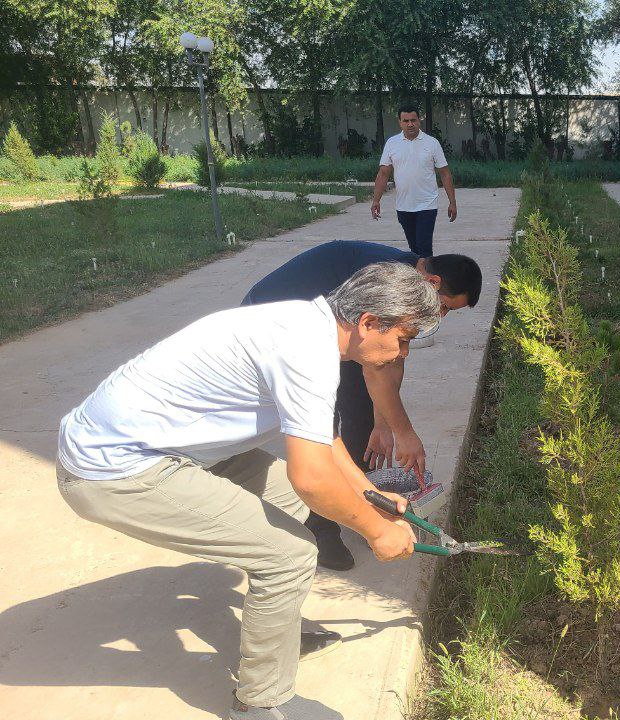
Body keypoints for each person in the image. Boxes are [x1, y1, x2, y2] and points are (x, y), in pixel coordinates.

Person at [56, 262, 440, 720]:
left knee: (297, 506)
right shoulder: (304, 351)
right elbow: (313, 478)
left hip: (168, 443)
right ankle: (260, 702)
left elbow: (325, 440)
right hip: (115, 468)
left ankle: (275, 634)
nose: (402, 353)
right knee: (287, 554)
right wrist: (378, 532)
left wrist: (369, 498)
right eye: (404, 338)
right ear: (368, 323)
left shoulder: (308, 325)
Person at [244, 240, 483, 571]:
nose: (440, 316)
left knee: (360, 418)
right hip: (275, 320)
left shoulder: (409, 285)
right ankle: (321, 526)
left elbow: (391, 359)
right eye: (444, 307)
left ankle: (367, 507)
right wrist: (406, 433)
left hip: (339, 329)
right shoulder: (396, 281)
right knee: (318, 431)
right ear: (433, 283)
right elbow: (379, 367)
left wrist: (383, 424)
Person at [371, 105, 458, 256]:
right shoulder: (392, 143)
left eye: (413, 120)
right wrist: (376, 200)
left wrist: (452, 202)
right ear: (400, 122)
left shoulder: (432, 143)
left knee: (424, 248)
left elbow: (445, 174)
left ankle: (427, 278)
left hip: (427, 205)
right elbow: (383, 174)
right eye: (406, 121)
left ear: (419, 121)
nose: (410, 124)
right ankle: (420, 276)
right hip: (403, 206)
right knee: (414, 250)